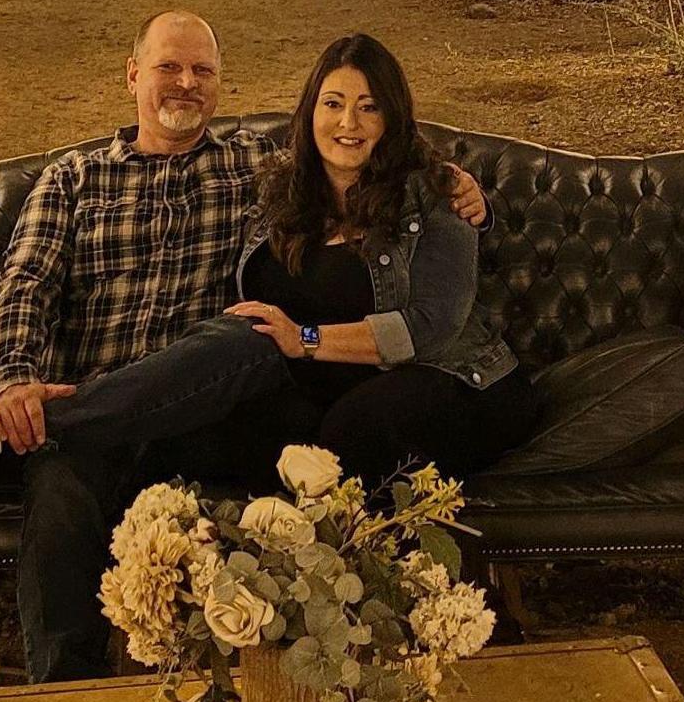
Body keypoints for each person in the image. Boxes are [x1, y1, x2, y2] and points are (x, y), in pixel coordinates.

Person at [0, 11, 491, 683]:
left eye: (203, 71)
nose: (186, 83)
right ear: (133, 74)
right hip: (98, 399)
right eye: (168, 67)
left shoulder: (256, 169)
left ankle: (0, 440)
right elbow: (26, 285)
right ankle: (61, 698)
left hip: (207, 403)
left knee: (252, 335)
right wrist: (17, 380)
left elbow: (359, 144)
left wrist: (453, 181)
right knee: (62, 477)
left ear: (220, 85)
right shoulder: (73, 178)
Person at [226, 32, 538, 485]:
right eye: (333, 104)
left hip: (453, 380)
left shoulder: (435, 191)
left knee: (352, 432)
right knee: (237, 428)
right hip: (332, 385)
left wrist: (304, 339)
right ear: (310, 111)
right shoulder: (280, 192)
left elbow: (432, 327)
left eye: (369, 107)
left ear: (392, 118)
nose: (348, 122)